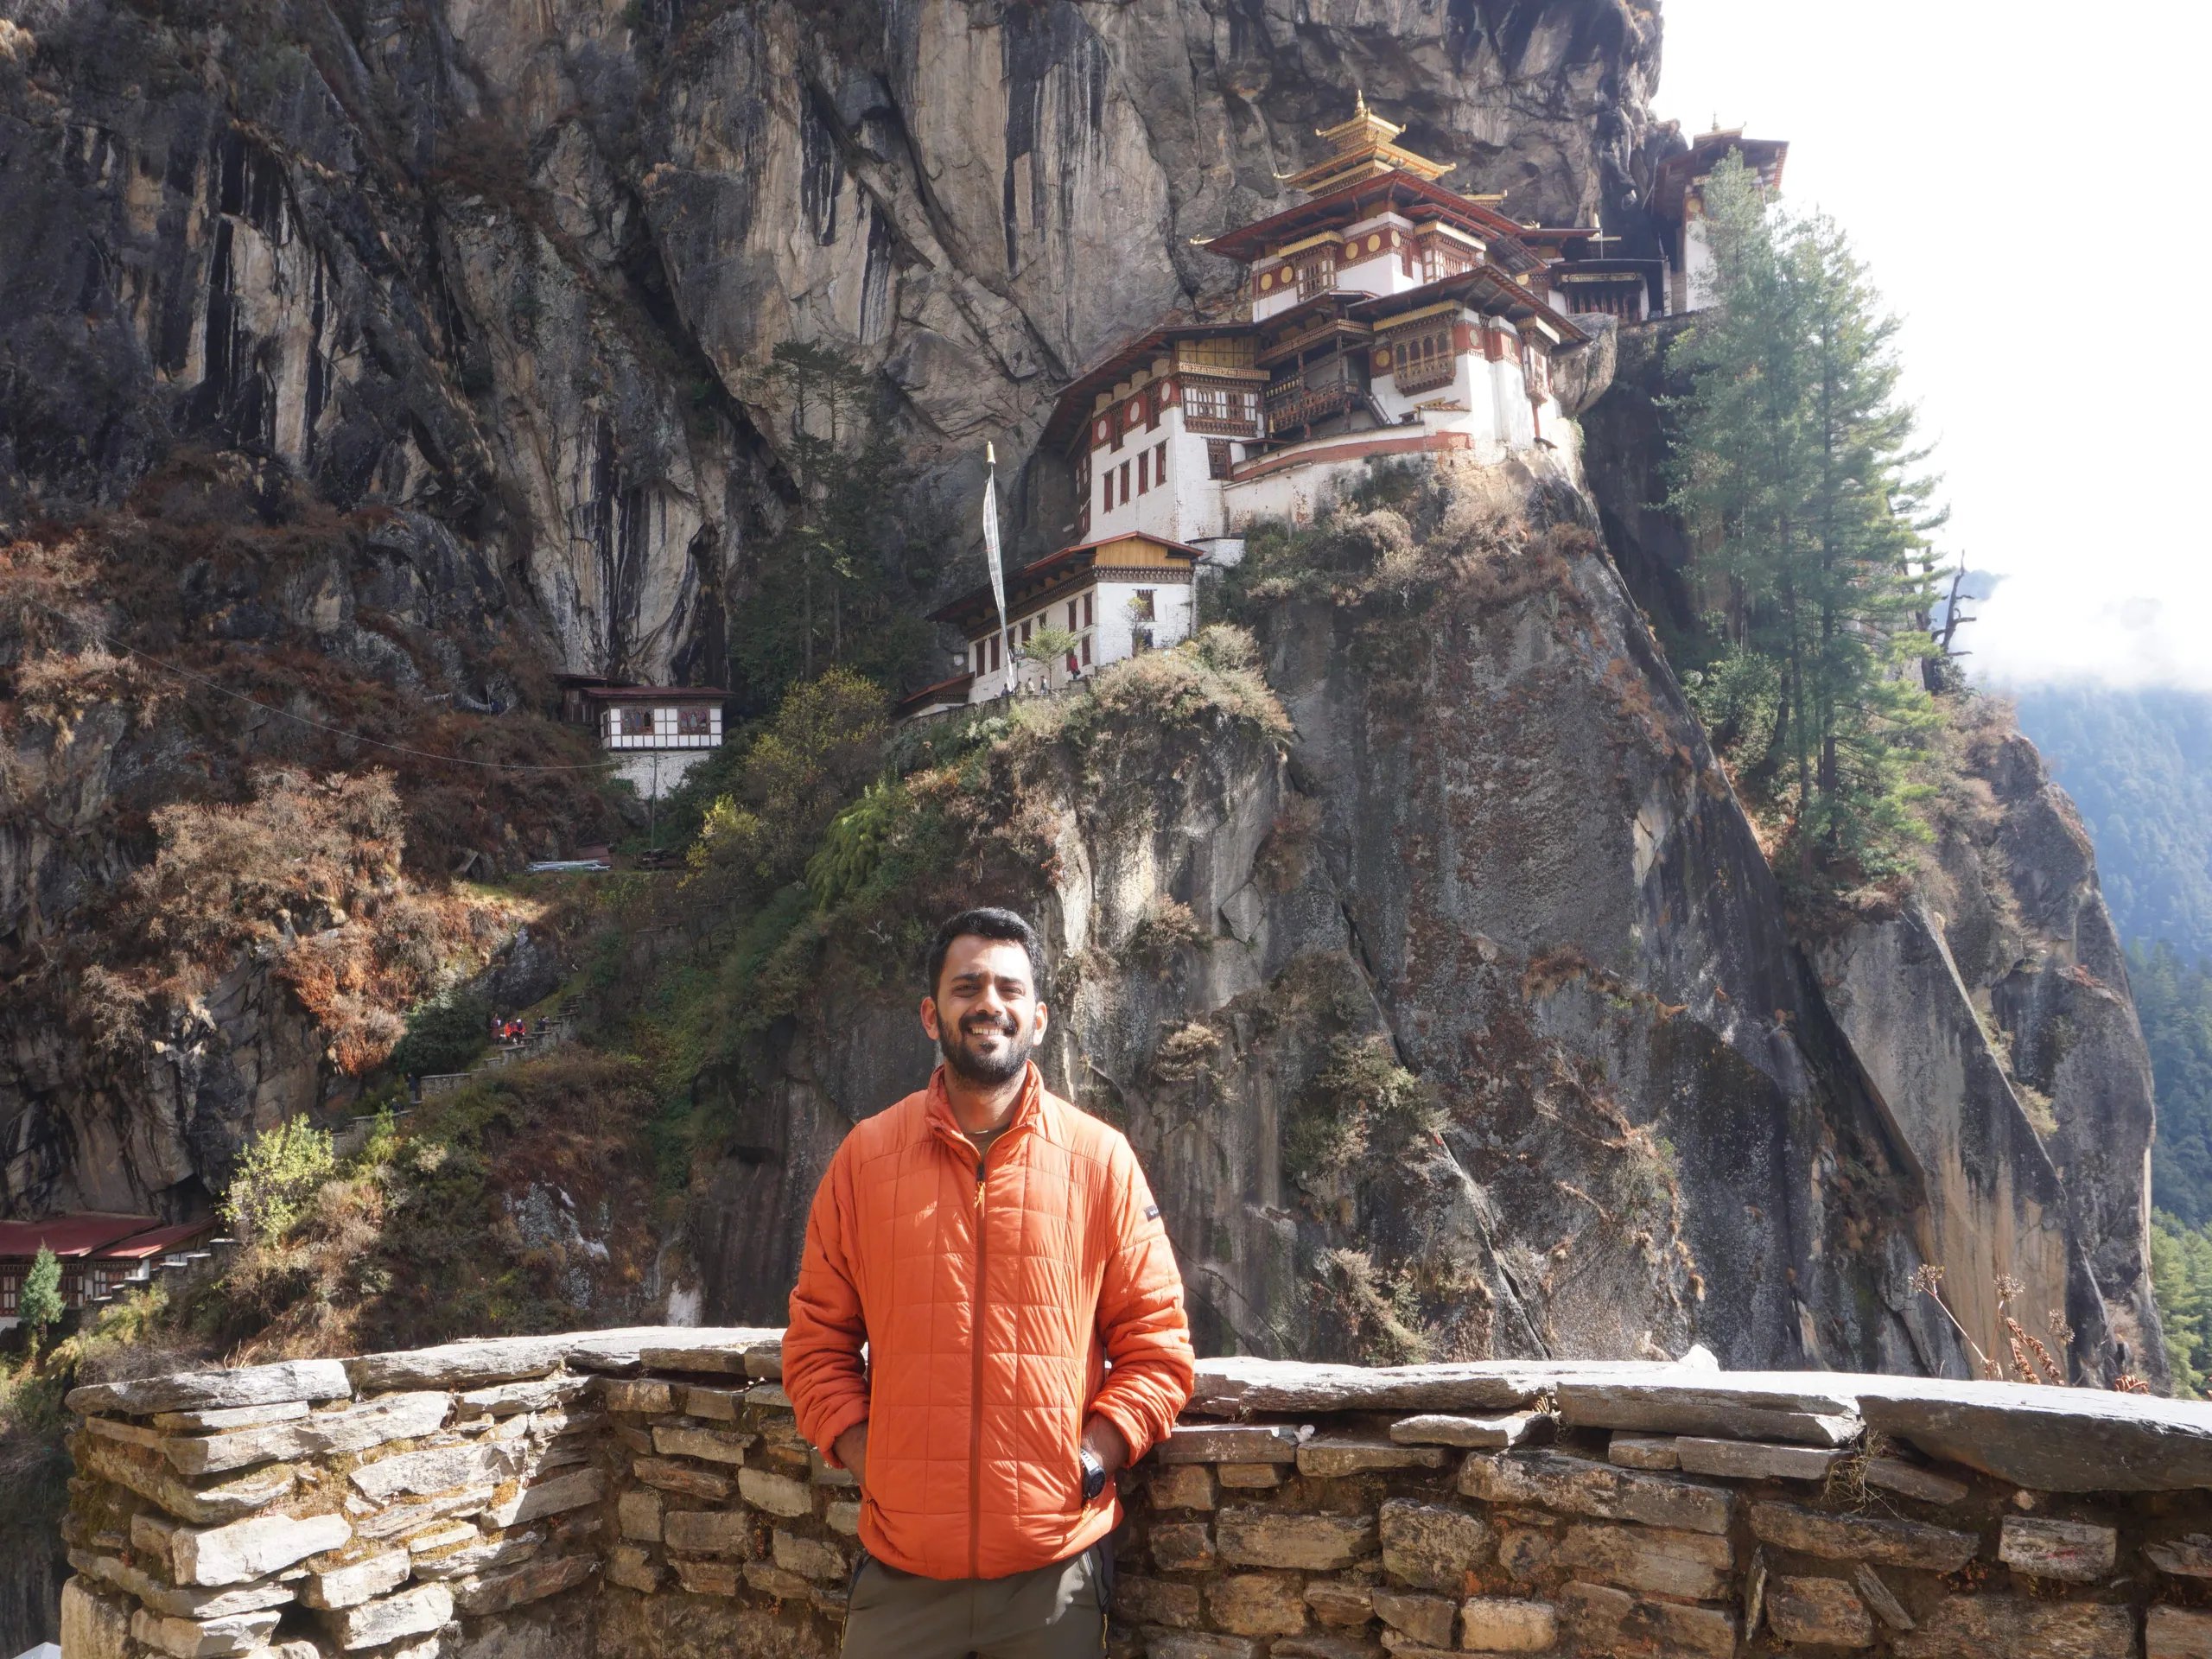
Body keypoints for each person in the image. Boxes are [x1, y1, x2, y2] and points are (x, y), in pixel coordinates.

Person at [784, 906, 1193, 1659]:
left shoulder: (1099, 1162)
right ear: (930, 1014)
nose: (988, 1004)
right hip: (901, 1575)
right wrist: (879, 1464)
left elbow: (1158, 1347)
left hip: (1051, 1577)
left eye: (1009, 987)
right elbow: (816, 1345)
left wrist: (1092, 1458)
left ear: (1037, 1017)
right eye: (966, 985)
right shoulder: (865, 1160)